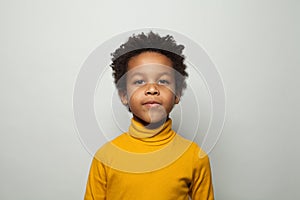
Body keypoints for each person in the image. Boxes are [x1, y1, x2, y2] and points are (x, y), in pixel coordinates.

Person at [84, 31, 214, 200]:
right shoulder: (106, 156)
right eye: (139, 81)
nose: (152, 89)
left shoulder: (195, 157)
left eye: (163, 81)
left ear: (177, 94)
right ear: (124, 95)